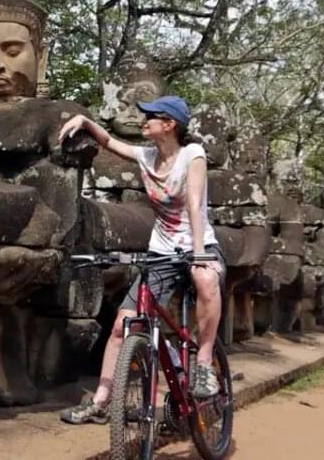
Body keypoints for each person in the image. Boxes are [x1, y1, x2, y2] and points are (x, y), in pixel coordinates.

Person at [58, 95, 226, 424]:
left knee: (206, 279)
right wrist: (85, 122)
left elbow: (194, 203)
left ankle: (204, 362)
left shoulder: (192, 154)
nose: (143, 119)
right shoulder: (147, 156)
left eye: (151, 115)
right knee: (122, 325)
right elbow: (108, 142)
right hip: (161, 254)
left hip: (199, 245)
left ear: (170, 124)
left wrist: (200, 253)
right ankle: (102, 401)